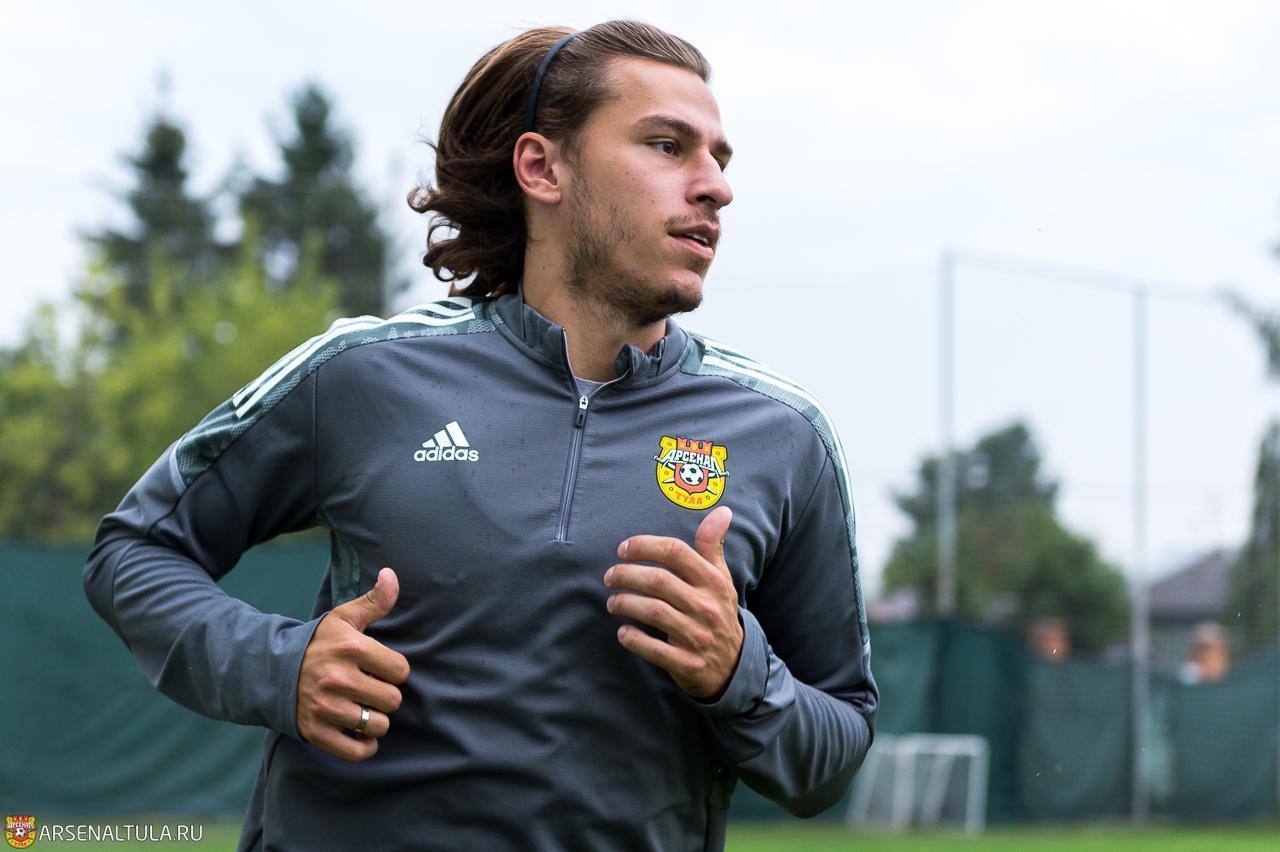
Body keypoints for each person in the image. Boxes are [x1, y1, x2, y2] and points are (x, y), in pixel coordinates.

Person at [83, 20, 877, 851]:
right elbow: (135, 550)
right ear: (542, 168)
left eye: (720, 158)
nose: (714, 186)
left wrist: (740, 673)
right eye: (667, 146)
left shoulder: (783, 436)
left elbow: (837, 751)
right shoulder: (361, 376)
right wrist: (281, 668)